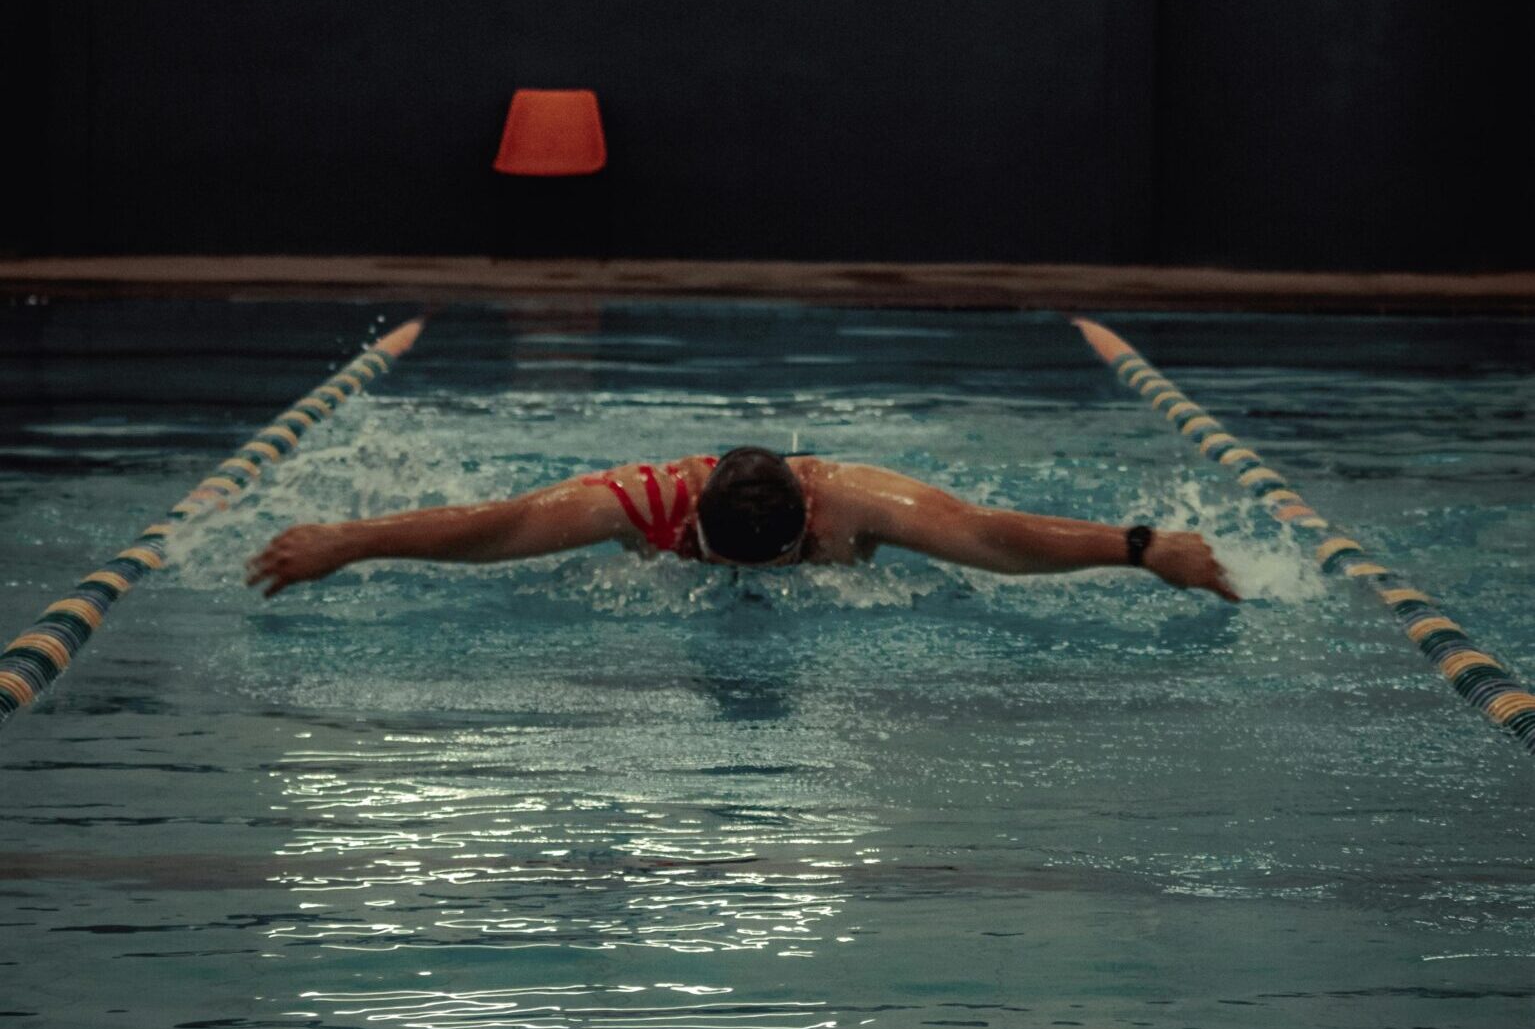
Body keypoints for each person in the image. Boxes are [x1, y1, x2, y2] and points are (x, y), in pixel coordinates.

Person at [247, 446, 1239, 601]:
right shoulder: (636, 500)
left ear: (810, 522)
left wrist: (1142, 547)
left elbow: (986, 537)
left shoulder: (858, 502)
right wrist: (347, 541)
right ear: (688, 523)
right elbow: (493, 528)